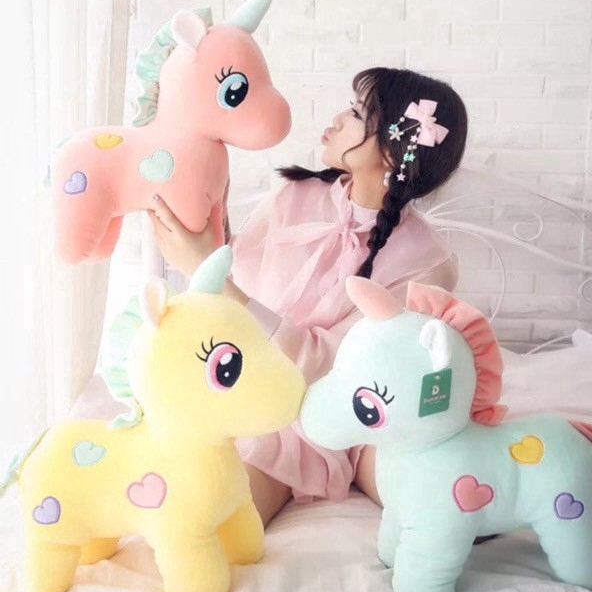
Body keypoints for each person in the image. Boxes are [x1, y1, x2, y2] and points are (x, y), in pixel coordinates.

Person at [147, 67, 466, 528]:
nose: (336, 119)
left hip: (345, 408)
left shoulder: (426, 260)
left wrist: (204, 267)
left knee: (442, 502)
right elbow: (236, 271)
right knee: (202, 517)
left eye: (356, 113)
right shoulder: (295, 194)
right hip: (257, 385)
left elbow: (333, 365)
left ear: (392, 151)